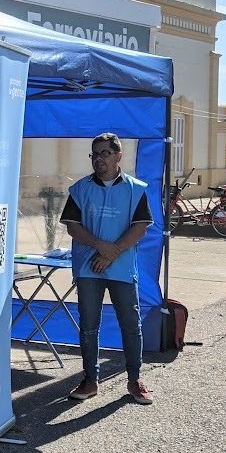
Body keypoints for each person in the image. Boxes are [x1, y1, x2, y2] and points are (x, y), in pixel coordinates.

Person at [60, 132, 155, 405]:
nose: (99, 159)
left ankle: (135, 379)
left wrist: (112, 252)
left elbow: (140, 227)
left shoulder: (135, 189)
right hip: (89, 267)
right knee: (89, 324)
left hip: (121, 266)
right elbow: (73, 226)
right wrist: (101, 246)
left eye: (105, 153)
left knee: (130, 323)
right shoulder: (79, 189)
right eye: (95, 154)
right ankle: (91, 379)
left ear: (118, 156)